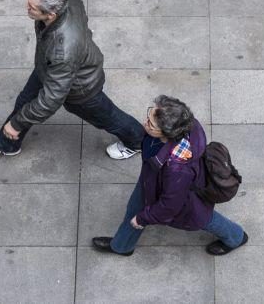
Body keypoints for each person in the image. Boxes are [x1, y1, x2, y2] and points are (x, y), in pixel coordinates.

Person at [0, 0, 144, 161]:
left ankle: (137, 141)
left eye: (32, 7)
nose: (27, 7)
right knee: (25, 102)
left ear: (51, 15)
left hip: (80, 89)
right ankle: (7, 144)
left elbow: (51, 100)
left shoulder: (62, 51)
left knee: (108, 117)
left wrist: (15, 123)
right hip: (49, 68)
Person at [91, 95, 249, 257]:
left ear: (167, 133)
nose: (146, 123)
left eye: (151, 124)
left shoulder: (177, 169)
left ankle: (236, 237)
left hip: (183, 199)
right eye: (149, 114)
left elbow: (170, 205)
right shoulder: (184, 123)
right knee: (134, 209)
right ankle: (122, 246)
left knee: (204, 219)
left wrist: (143, 218)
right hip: (152, 181)